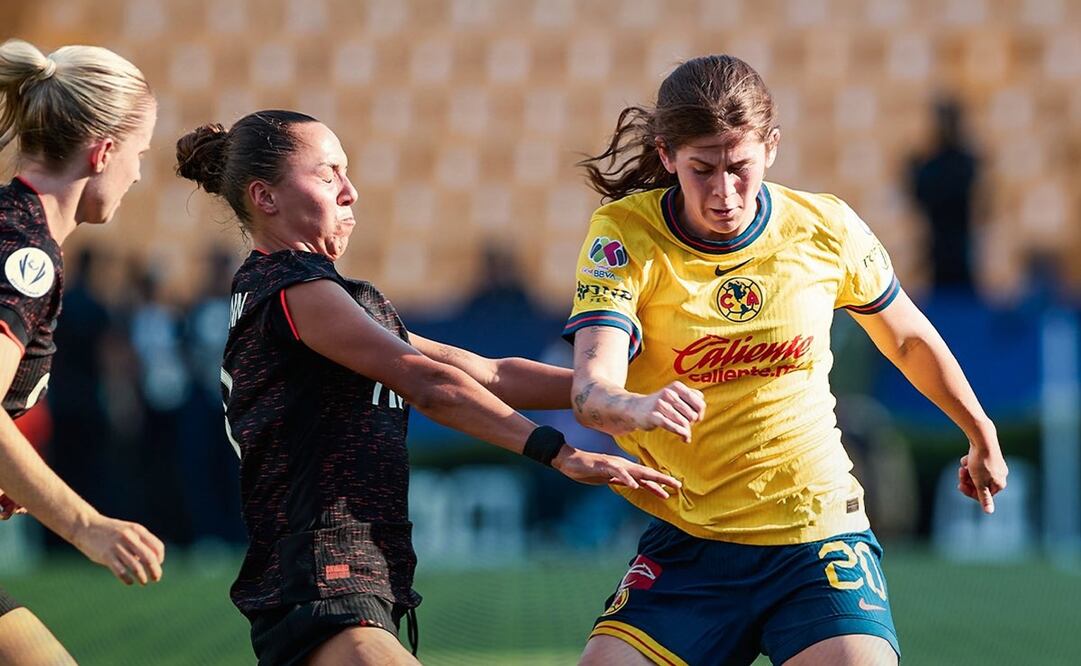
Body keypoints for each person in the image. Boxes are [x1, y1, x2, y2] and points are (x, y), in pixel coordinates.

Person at [174, 109, 680, 666]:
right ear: (265, 198)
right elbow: (432, 386)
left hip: (346, 573)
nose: (351, 191)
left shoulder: (321, 294)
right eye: (327, 175)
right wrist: (557, 452)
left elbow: (489, 373)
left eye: (347, 172)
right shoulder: (296, 290)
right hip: (321, 577)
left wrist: (613, 392)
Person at [564, 55, 1008, 666]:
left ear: (771, 147)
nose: (723, 193)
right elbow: (591, 389)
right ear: (666, 156)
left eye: (739, 166)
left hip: (818, 536)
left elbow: (906, 340)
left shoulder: (826, 227)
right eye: (702, 169)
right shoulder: (622, 235)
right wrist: (634, 406)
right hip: (692, 540)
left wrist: (978, 428)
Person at [0, 39, 165, 664]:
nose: (139, 174)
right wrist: (85, 526)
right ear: (103, 151)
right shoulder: (25, 255)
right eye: (139, 154)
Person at [907, 96, 982, 292]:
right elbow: (919, 198)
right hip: (935, 246)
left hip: (962, 246)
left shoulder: (965, 162)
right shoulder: (931, 164)